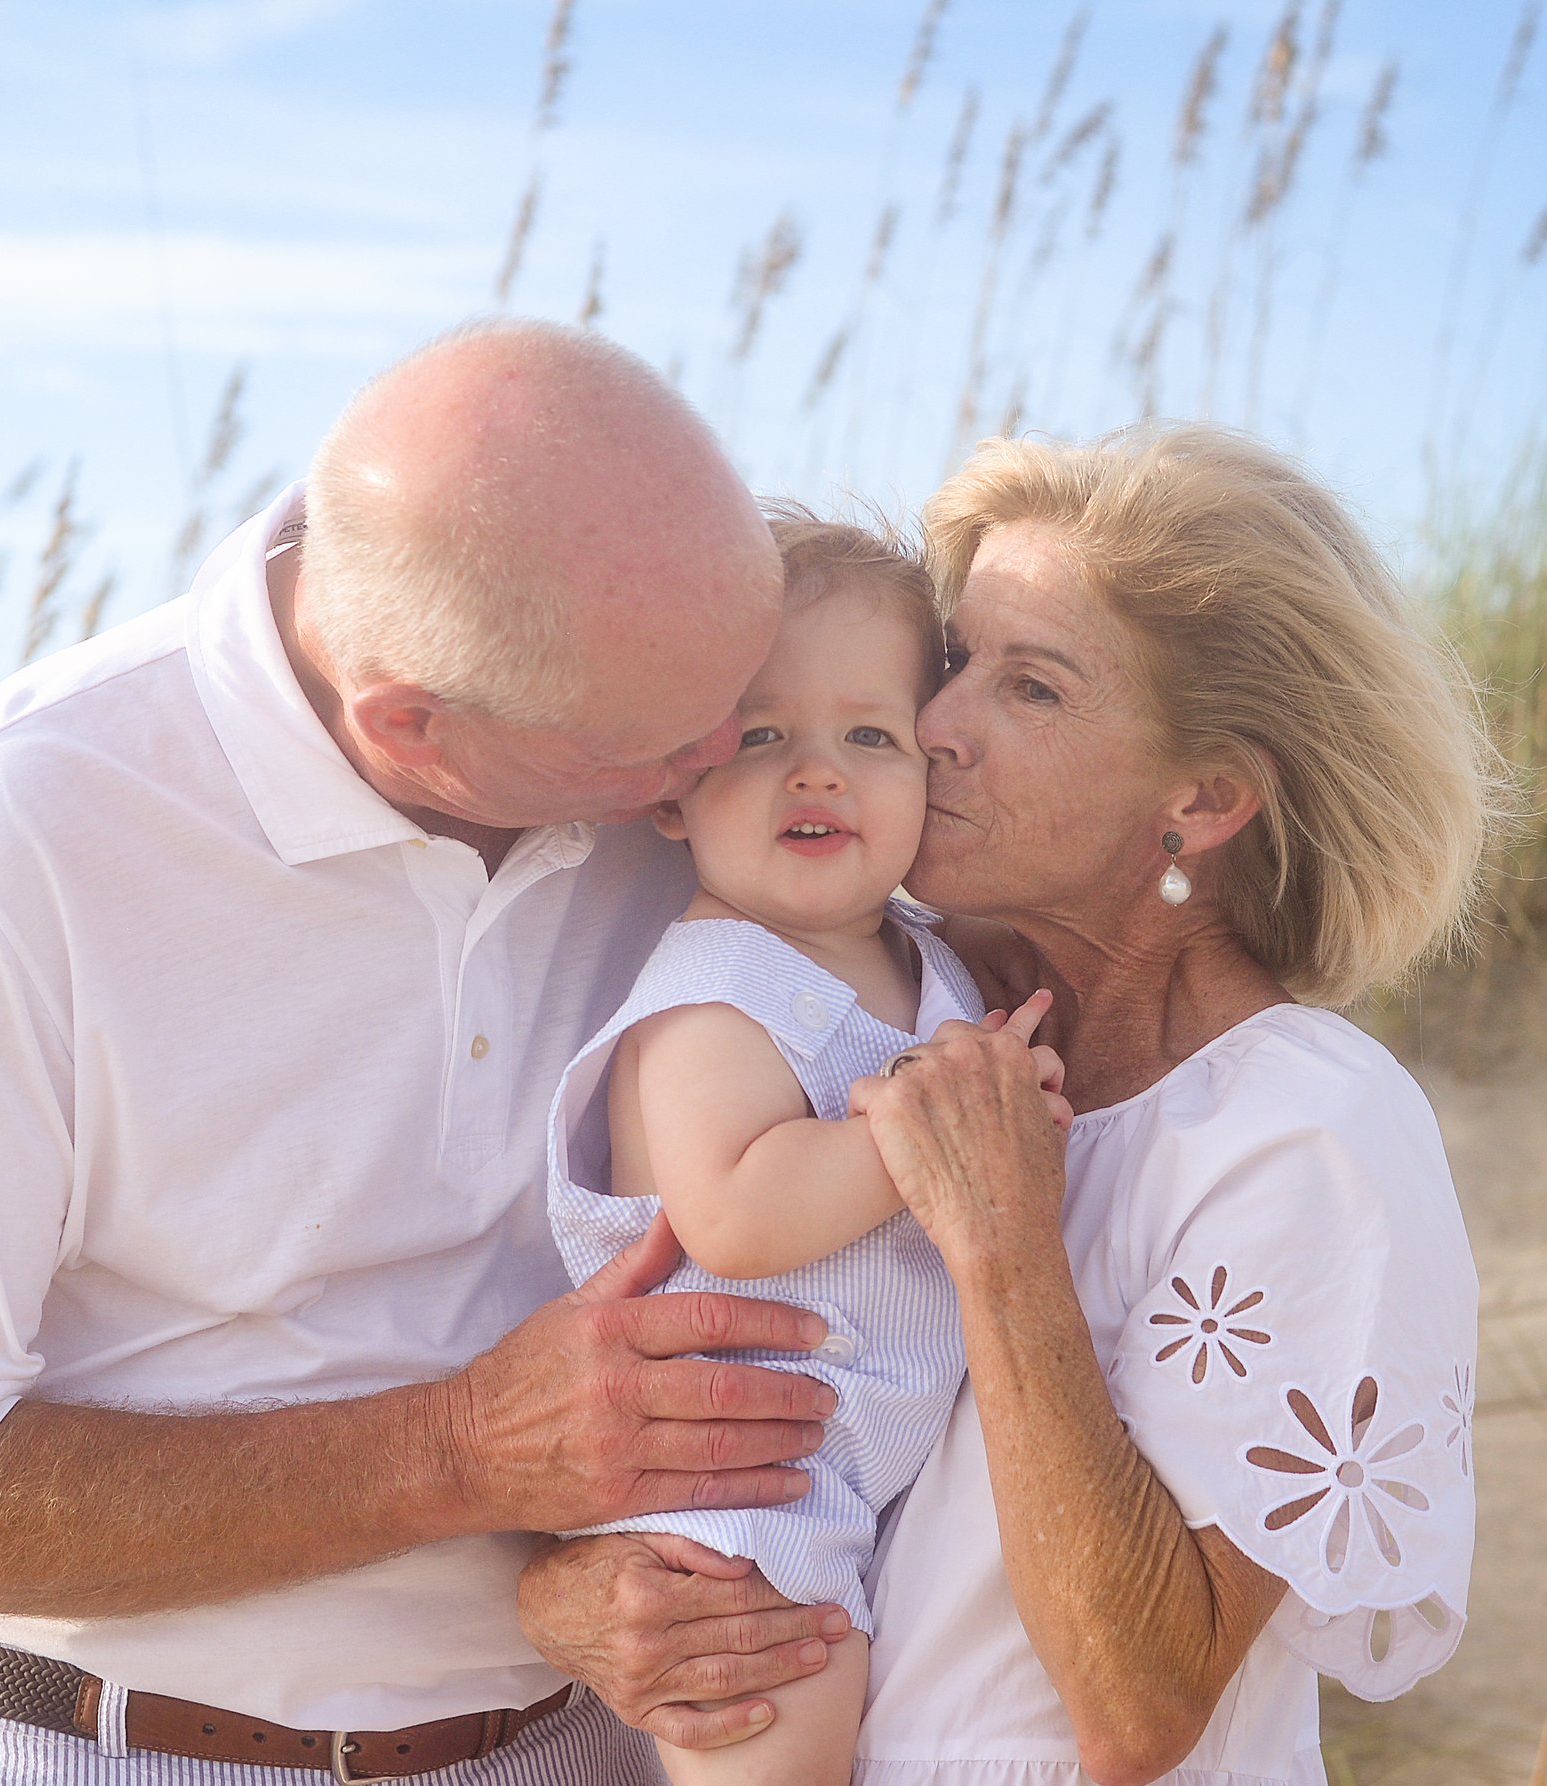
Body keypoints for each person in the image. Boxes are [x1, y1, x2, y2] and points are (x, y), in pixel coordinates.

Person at [0, 320, 846, 1784]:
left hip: (584, 1744)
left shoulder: (685, 769)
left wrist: (570, 1573)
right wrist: (460, 1451)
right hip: (106, 1750)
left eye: (750, 701)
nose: (734, 764)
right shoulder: (24, 827)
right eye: (671, 742)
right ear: (414, 723)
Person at [520, 423, 1505, 1786]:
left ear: (1203, 798)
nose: (936, 728)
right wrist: (569, 1598)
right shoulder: (867, 985)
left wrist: (1003, 1243)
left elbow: (1139, 1706)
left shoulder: (1308, 1133)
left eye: (1029, 689)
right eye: (954, 664)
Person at [545, 514, 1066, 1786]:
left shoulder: (931, 963)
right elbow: (732, 1208)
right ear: (673, 783)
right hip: (740, 1497)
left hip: (880, 1459)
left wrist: (1016, 1095)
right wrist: (933, 1128)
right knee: (774, 1746)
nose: (817, 773)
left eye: (869, 736)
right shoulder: (710, 991)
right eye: (761, 736)